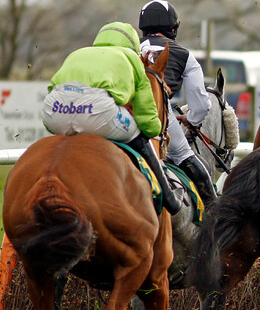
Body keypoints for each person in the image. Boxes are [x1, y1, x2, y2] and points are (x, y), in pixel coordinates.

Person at [41, 22, 182, 214]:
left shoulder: (79, 53)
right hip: (96, 110)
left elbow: (52, 87)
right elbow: (146, 115)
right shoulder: (131, 57)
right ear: (132, 44)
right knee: (139, 133)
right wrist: (154, 131)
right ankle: (170, 199)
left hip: (53, 109)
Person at [139, 0, 217, 203]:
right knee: (183, 153)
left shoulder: (129, 49)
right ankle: (213, 209)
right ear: (173, 28)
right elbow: (200, 105)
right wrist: (191, 119)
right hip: (158, 114)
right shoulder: (184, 55)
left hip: (122, 114)